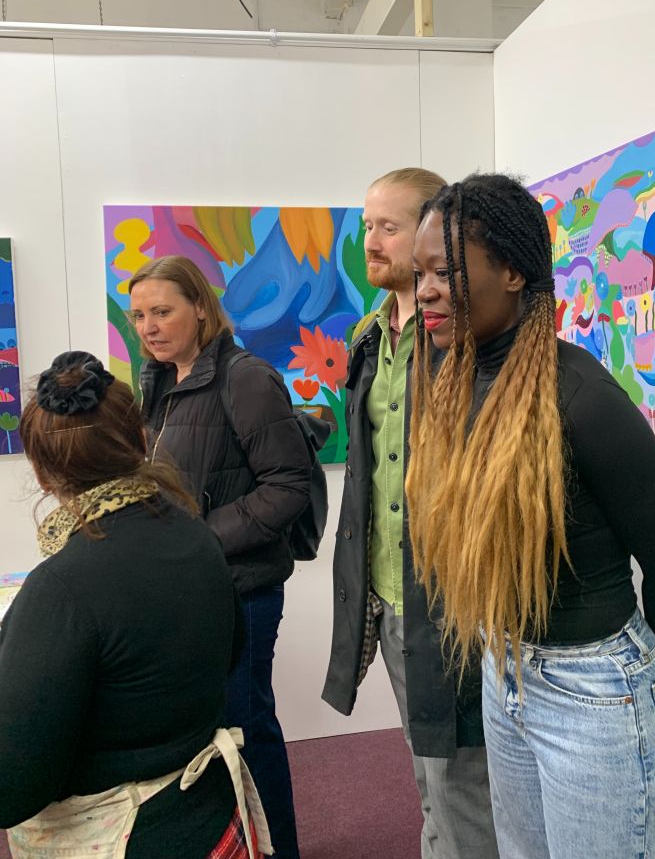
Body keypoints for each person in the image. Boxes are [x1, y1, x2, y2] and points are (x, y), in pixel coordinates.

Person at [406, 173, 655, 859]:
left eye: (445, 272)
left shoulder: (582, 397)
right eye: (419, 273)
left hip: (596, 690)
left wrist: (652, 676)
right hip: (509, 671)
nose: (424, 290)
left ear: (513, 272)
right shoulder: (458, 382)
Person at [0, 351, 270, 858]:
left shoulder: (61, 588)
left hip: (128, 838)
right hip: (209, 819)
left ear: (42, 473)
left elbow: (11, 787)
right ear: (141, 442)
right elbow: (230, 653)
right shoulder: (197, 536)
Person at [322, 167, 499, 859]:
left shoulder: (468, 338)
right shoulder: (369, 337)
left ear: (434, 235)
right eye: (368, 226)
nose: (371, 241)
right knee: (427, 774)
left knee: (462, 785)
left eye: (387, 227)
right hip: (391, 598)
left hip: (458, 601)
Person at [130, 255, 312, 859]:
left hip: (243, 591)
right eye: (138, 316)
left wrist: (200, 539)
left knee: (247, 729)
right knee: (212, 739)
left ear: (201, 310)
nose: (149, 327)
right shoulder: (160, 383)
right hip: (188, 590)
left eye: (162, 311)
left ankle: (278, 849)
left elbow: (287, 487)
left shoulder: (246, 378)